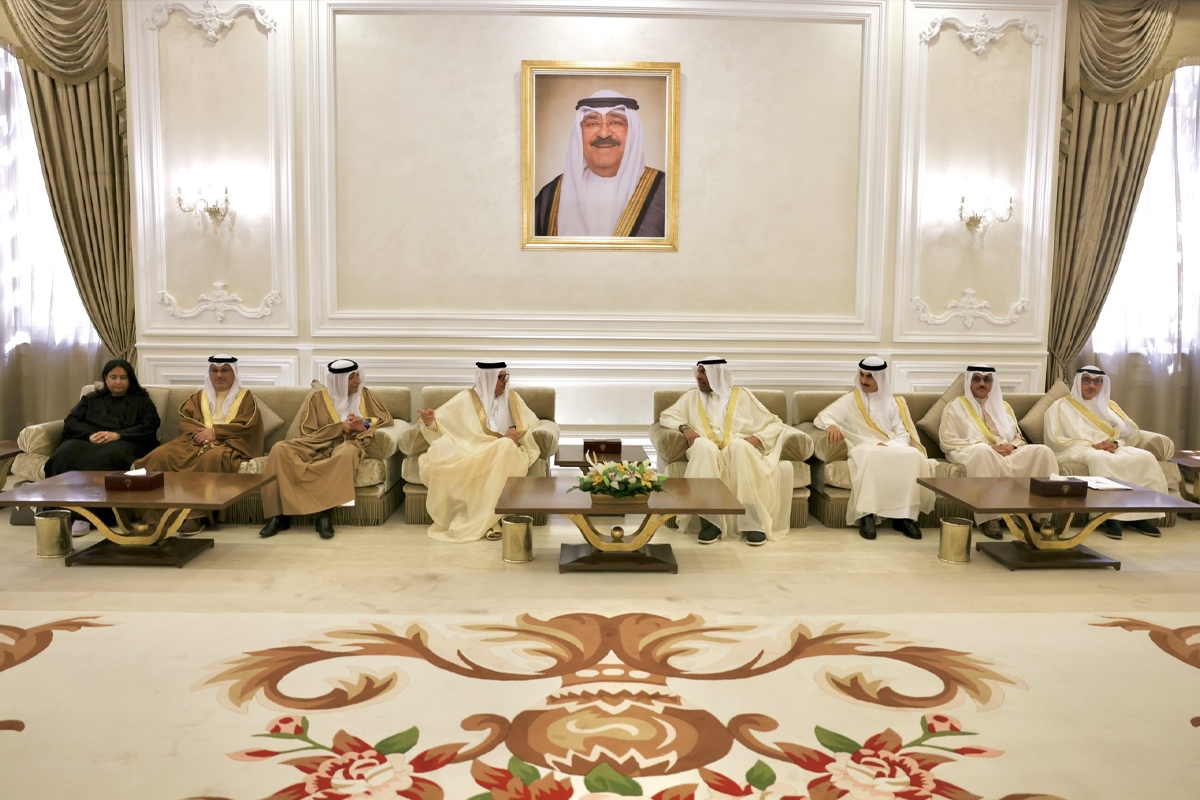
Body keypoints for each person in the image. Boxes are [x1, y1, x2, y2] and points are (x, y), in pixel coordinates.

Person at [657, 358, 789, 545]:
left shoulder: (741, 395)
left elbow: (775, 423)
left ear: (717, 374)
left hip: (736, 447)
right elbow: (666, 416)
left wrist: (757, 438)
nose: (698, 377)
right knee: (703, 447)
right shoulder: (691, 396)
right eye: (698, 372)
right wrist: (685, 428)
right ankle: (712, 522)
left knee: (739, 447)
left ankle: (753, 522)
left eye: (703, 372)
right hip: (708, 448)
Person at [258, 360, 393, 540]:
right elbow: (306, 430)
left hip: (348, 442)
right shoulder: (317, 398)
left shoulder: (365, 395)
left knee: (345, 454)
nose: (357, 381)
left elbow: (385, 418)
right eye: (351, 377)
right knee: (279, 449)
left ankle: (325, 516)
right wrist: (339, 428)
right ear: (338, 380)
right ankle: (279, 516)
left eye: (357, 375)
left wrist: (364, 424)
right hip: (316, 442)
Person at [813, 357, 935, 541]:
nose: (864, 380)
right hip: (863, 446)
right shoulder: (851, 399)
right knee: (871, 455)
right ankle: (867, 515)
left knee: (913, 455)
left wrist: (888, 445)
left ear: (880, 377)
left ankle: (905, 517)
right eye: (862, 375)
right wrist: (831, 425)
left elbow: (903, 434)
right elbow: (822, 417)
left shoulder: (894, 403)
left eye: (869, 376)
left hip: (892, 446)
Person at [418, 362, 541, 543]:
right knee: (444, 450)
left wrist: (515, 428)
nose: (505, 381)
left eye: (506, 376)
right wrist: (430, 421)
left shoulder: (512, 398)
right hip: (475, 447)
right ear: (488, 379)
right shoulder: (466, 398)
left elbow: (533, 420)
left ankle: (485, 521)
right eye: (500, 378)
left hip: (507, 451)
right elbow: (442, 421)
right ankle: (489, 522)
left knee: (505, 446)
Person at [1043, 365, 1169, 539]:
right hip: (1079, 449)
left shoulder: (1109, 406)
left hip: (1111, 448)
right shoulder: (1060, 406)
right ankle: (1108, 517)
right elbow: (1055, 439)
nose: (1091, 386)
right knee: (1100, 459)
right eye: (1087, 380)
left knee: (1145, 457)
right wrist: (1093, 446)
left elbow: (1126, 433)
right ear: (1078, 381)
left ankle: (1140, 515)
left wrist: (1115, 444)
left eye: (1097, 381)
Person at [938, 365, 1058, 539]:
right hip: (972, 451)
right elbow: (947, 439)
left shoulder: (1004, 407)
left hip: (1006, 451)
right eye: (976, 379)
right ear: (969, 382)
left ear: (992, 383)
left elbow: (1018, 437)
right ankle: (990, 517)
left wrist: (1012, 446)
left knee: (1043, 452)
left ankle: (1039, 516)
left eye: (986, 379)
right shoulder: (955, 406)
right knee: (983, 452)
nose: (982, 383)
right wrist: (987, 445)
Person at [44, 359, 161, 536]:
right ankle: (56, 512)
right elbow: (71, 421)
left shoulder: (141, 400)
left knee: (105, 458)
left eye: (123, 377)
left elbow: (150, 425)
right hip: (90, 441)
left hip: (126, 442)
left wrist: (118, 435)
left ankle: (86, 517)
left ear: (130, 379)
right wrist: (90, 435)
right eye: (113, 377)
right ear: (105, 378)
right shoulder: (91, 399)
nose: (118, 382)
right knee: (63, 454)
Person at [533, 90, 666, 238]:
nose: (603, 133)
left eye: (616, 122)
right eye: (592, 124)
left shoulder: (666, 192)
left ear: (632, 132)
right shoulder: (550, 196)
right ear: (579, 134)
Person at [133, 354, 264, 475]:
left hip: (229, 443)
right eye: (214, 370)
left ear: (234, 373)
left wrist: (216, 433)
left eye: (224, 370)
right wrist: (203, 436)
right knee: (162, 454)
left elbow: (247, 425)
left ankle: (203, 493)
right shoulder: (199, 397)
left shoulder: (245, 397)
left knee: (213, 458)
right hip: (196, 442)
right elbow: (186, 421)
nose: (219, 375)